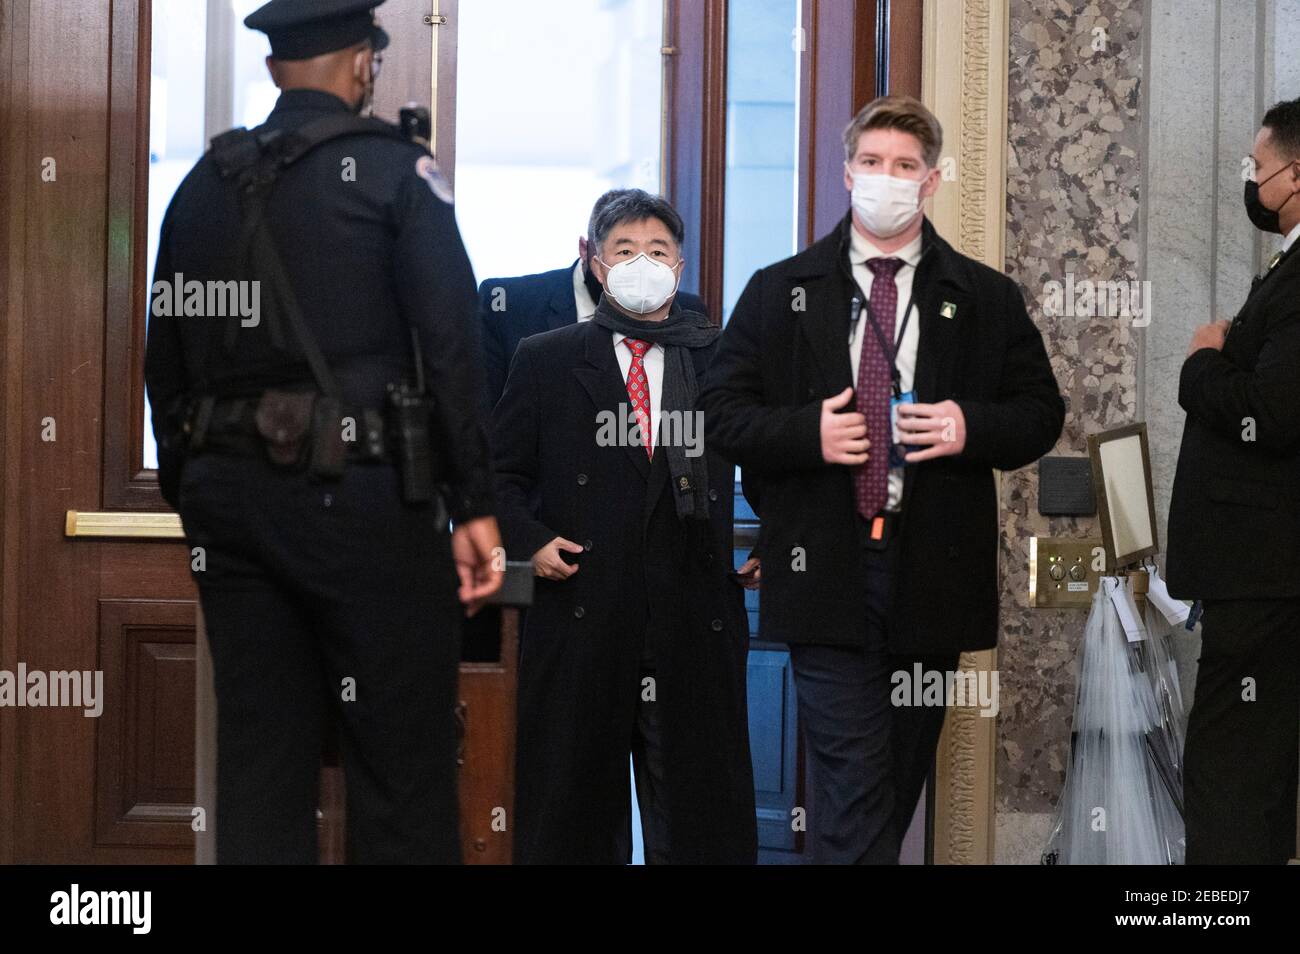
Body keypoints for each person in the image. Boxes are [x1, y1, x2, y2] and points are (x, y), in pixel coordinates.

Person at [143, 0, 502, 864]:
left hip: (231, 509)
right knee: (401, 766)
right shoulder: (395, 174)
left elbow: (166, 357)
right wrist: (474, 504)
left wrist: (195, 492)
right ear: (363, 65)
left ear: (274, 70)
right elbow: (452, 346)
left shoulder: (204, 183)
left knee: (261, 762)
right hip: (369, 503)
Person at [699, 96, 1063, 864]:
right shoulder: (779, 288)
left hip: (933, 575)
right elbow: (718, 412)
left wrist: (970, 425)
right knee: (855, 782)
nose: (886, 179)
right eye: (872, 164)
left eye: (904, 167)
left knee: (887, 787)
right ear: (846, 174)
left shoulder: (985, 296)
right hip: (824, 570)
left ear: (930, 182)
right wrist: (808, 432)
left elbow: (1040, 413)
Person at [492, 189, 757, 864]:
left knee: (697, 821)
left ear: (682, 263)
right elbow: (498, 477)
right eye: (626, 250)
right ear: (596, 263)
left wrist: (781, 539)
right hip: (582, 611)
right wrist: (529, 540)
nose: (644, 262)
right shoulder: (547, 357)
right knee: (573, 817)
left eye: (659, 250)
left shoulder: (720, 359)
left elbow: (770, 459)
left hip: (692, 619)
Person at [1166, 96, 1300, 866]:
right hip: (1255, 571)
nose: (1251, 180)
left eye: (1258, 166)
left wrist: (1202, 359)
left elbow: (1275, 413)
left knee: (1230, 774)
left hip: (1264, 573)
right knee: (1247, 770)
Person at [477, 189, 708, 412]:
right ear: (589, 254)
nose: (640, 267)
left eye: (656, 253)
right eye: (625, 252)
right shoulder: (513, 307)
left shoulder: (688, 316)